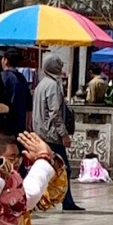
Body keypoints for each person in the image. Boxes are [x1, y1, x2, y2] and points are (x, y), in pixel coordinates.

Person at [33, 54, 85, 212]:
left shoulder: (41, 84)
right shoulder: (53, 86)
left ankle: (48, 200)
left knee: (44, 168)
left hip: (41, 132)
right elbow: (54, 112)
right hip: (51, 135)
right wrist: (63, 134)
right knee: (63, 168)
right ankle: (66, 201)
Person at [0, 47, 33, 135]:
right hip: (20, 124)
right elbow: (29, 104)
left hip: (5, 123)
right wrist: (28, 124)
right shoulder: (22, 78)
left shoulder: (2, 77)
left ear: (5, 60)